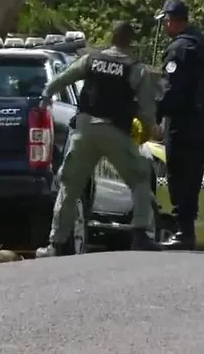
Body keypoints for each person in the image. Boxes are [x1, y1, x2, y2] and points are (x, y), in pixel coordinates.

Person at [36, 21, 161, 257]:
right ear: (130, 41)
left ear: (111, 37)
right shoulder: (136, 69)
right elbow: (146, 110)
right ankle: (140, 234)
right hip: (116, 133)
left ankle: (56, 244)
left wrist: (45, 96)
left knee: (70, 187)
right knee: (141, 178)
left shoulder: (91, 60)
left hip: (84, 132)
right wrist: (147, 130)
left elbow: (62, 79)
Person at [154, 0, 204, 251]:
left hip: (183, 120)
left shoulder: (179, 48)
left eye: (165, 21)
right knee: (194, 174)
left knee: (178, 174)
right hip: (203, 120)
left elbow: (171, 88)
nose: (164, 27)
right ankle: (187, 228)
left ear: (172, 20)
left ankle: (183, 230)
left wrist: (157, 113)